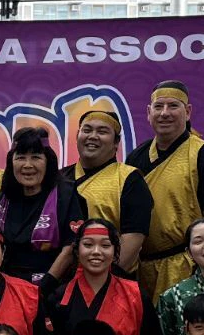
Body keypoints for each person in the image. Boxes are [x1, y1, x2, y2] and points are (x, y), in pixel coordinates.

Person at [125, 82, 204, 301]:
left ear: (188, 111)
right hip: (142, 268)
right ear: (148, 112)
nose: (165, 113)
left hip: (187, 265)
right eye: (158, 106)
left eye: (173, 106)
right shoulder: (136, 158)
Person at [49, 219, 162, 335]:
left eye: (105, 245)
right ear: (77, 250)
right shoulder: (59, 298)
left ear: (115, 251)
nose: (96, 252)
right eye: (88, 244)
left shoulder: (135, 295)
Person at [0, 126, 88, 285]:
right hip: (4, 286)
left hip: (51, 287)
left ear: (48, 161)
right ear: (11, 162)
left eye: (36, 157)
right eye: (20, 157)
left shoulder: (66, 195)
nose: (28, 165)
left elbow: (71, 247)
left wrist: (46, 286)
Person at [62, 108, 150, 272]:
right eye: (87, 130)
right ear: (77, 136)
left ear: (116, 143)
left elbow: (134, 236)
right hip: (62, 281)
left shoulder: (129, 179)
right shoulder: (59, 178)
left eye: (102, 131)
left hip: (111, 280)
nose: (92, 136)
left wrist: (105, 279)